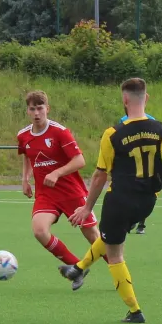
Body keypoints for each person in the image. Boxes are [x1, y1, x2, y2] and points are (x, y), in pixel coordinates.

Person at [59, 78, 162, 323]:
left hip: (119, 201)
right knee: (109, 237)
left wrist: (86, 208)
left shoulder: (112, 134)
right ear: (146, 98)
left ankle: (134, 310)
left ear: (124, 100)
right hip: (147, 203)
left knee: (115, 253)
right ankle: (78, 268)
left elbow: (99, 175)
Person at [17, 90, 100, 291]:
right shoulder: (23, 135)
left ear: (48, 109)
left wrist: (56, 173)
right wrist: (25, 178)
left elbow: (80, 160)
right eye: (32, 109)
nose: (36, 113)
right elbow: (27, 156)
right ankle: (76, 266)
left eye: (40, 108)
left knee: (93, 237)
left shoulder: (60, 132)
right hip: (46, 194)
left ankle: (119, 272)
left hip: (72, 191)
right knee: (39, 230)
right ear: (27, 111)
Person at [121, 109, 156, 235]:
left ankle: (141, 224)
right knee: (129, 193)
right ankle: (132, 219)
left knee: (144, 195)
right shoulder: (123, 120)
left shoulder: (151, 120)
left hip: (146, 165)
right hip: (130, 163)